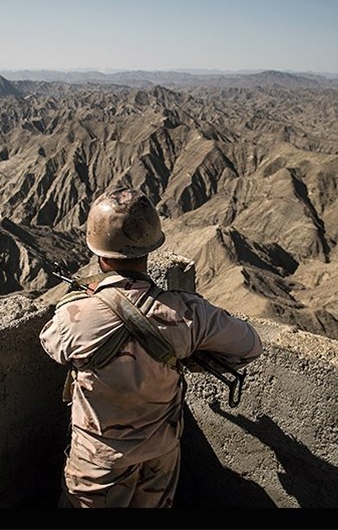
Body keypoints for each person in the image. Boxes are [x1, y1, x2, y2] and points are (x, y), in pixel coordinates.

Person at [39, 187, 263, 508]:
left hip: (98, 464)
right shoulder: (189, 313)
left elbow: (53, 346)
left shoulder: (75, 316)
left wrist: (83, 298)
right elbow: (250, 345)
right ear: (151, 248)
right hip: (160, 456)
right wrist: (189, 353)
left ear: (99, 254)